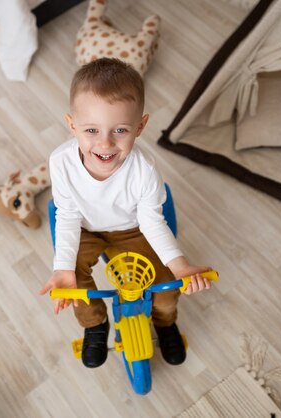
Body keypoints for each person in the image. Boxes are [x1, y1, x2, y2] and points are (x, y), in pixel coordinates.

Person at [39, 58, 212, 368]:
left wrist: (181, 267)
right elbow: (66, 214)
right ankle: (95, 324)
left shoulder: (144, 170)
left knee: (165, 287)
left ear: (140, 127)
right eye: (91, 129)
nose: (105, 143)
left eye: (120, 130)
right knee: (73, 281)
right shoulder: (61, 162)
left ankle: (165, 322)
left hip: (132, 228)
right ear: (72, 125)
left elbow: (151, 221)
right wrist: (63, 267)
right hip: (85, 228)